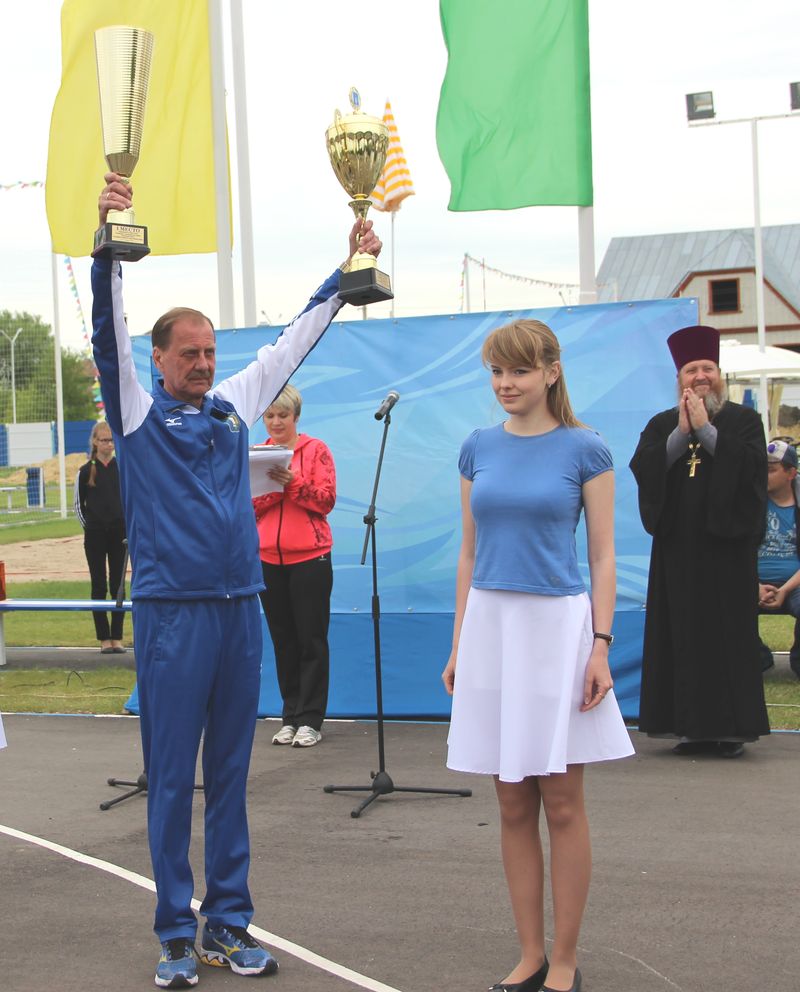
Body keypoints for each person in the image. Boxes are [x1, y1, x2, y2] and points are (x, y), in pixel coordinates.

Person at [92, 172, 380, 989]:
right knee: (171, 779)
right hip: (173, 617)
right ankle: (174, 933)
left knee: (230, 779)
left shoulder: (231, 407)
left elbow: (294, 340)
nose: (204, 363)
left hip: (237, 612)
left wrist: (345, 268)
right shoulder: (139, 413)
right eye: (190, 353)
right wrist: (107, 244)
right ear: (159, 358)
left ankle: (228, 924)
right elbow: (105, 331)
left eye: (211, 352)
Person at [442, 319, 633, 992]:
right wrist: (461, 643)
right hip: (491, 630)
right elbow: (469, 553)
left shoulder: (587, 449)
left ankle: (566, 961)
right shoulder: (476, 448)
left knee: (562, 802)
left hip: (559, 631)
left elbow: (604, 554)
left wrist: (602, 645)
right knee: (511, 802)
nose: (504, 384)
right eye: (496, 372)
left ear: (551, 372)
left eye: (517, 371)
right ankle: (529, 955)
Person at [630, 324, 770, 759]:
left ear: (719, 373)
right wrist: (680, 434)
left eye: (707, 367)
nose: (700, 376)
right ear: (680, 379)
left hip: (727, 553)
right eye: (691, 369)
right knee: (681, 636)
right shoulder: (660, 424)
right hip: (677, 552)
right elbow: (645, 466)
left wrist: (707, 431)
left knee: (726, 638)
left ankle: (730, 731)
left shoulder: (744, 421)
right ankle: (687, 728)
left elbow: (750, 471)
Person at [252, 385, 335, 748]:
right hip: (268, 558)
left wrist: (294, 483)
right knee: (283, 640)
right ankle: (289, 716)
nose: (276, 422)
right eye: (270, 415)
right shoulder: (258, 453)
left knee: (310, 639)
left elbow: (326, 500)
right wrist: (275, 489)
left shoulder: (316, 450)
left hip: (310, 558)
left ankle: (311, 719)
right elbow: (249, 505)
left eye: (282, 415)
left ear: (296, 417)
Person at [73, 420, 127, 653]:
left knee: (118, 585)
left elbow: (130, 501)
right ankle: (104, 638)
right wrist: (90, 527)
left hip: (119, 536)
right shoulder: (85, 471)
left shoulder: (122, 469)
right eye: (104, 440)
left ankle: (117, 637)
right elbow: (78, 505)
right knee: (98, 585)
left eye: (112, 440)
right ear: (95, 442)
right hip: (95, 535)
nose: (109, 444)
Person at [756, 438, 800, 677]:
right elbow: (735, 551)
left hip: (795, 583)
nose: (765, 475)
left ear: (791, 473)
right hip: (753, 580)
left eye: (772, 470)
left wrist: (785, 590)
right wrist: (755, 586)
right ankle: (758, 659)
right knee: (726, 597)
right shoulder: (751, 503)